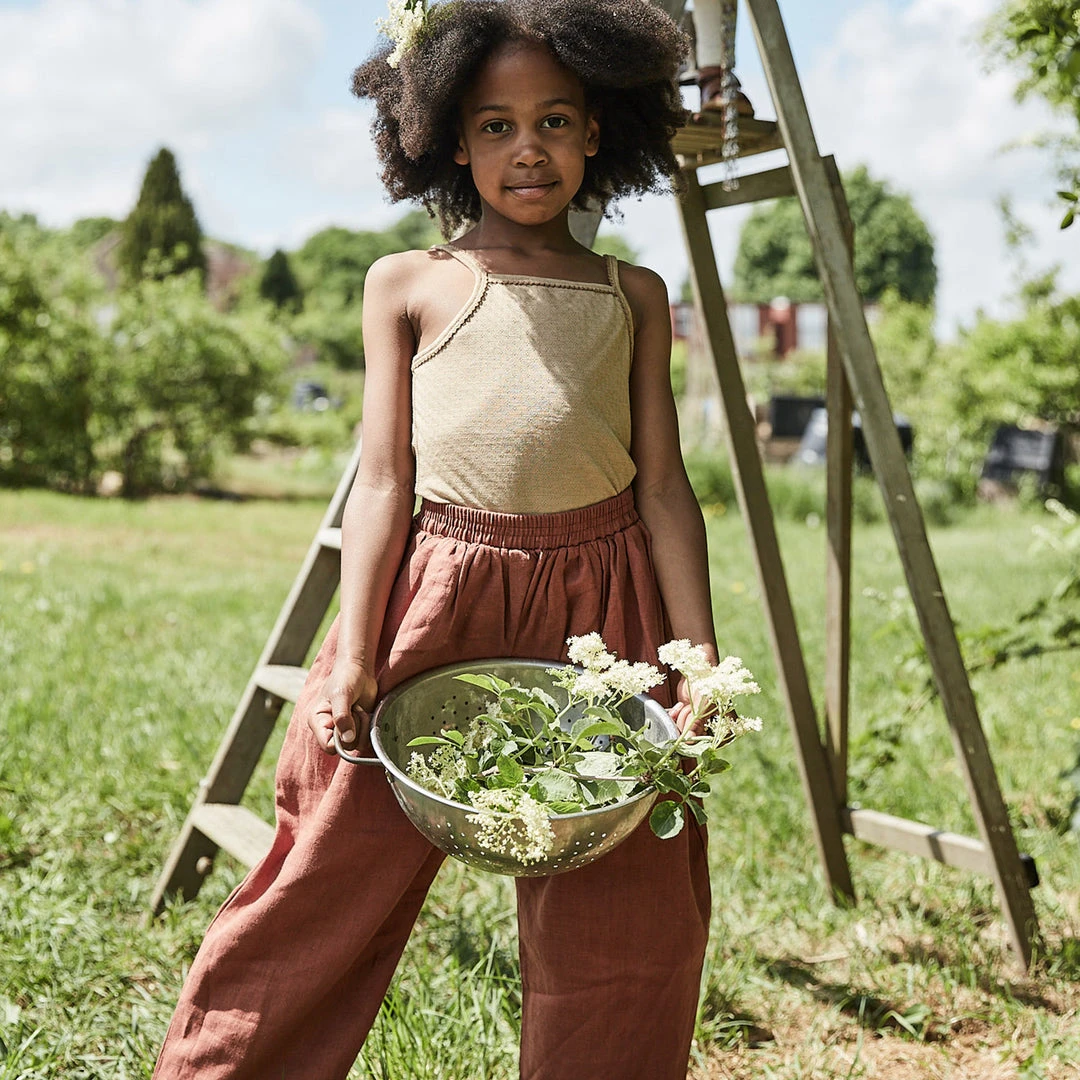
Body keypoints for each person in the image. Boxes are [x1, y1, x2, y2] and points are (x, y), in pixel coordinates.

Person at [153, 2, 721, 1077]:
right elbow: (382, 481)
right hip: (438, 591)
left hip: (607, 615)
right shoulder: (408, 284)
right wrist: (359, 650)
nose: (528, 149)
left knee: (631, 910)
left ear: (598, 129)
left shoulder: (632, 294)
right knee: (328, 859)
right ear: (451, 140)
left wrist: (693, 660)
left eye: (554, 120)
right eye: (496, 125)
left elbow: (666, 491)